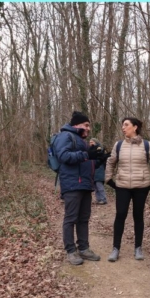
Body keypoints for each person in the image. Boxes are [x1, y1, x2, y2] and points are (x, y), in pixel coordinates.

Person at [105, 117, 150, 262]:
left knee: (138, 216)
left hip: (141, 187)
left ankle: (138, 248)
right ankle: (115, 248)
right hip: (122, 186)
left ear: (135, 127)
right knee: (120, 215)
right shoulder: (119, 145)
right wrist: (109, 179)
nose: (123, 128)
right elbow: (110, 162)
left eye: (126, 125)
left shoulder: (146, 145)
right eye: (122, 125)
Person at [53, 111, 104, 266]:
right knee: (71, 218)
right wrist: (86, 154)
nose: (88, 128)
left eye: (89, 126)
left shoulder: (81, 141)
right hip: (72, 184)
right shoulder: (65, 136)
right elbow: (63, 156)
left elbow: (85, 162)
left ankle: (84, 248)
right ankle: (70, 251)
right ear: (76, 124)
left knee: (83, 218)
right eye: (86, 125)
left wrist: (99, 160)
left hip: (85, 185)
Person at [89, 138, 109, 205]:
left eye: (92, 142)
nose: (91, 144)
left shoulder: (100, 150)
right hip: (93, 170)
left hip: (99, 170)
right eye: (90, 142)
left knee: (99, 186)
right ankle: (98, 199)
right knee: (96, 187)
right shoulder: (90, 150)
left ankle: (103, 199)